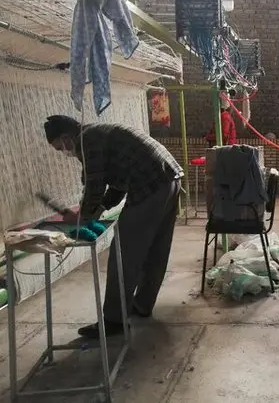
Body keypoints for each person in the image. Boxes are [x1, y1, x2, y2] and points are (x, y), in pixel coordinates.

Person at [43, 115, 183, 339]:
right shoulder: (100, 133)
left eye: (61, 148)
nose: (64, 153)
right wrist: (100, 208)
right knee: (156, 249)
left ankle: (113, 321)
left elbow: (94, 184)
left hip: (149, 185)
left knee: (123, 254)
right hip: (169, 180)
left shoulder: (87, 140)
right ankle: (142, 304)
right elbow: (118, 181)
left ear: (67, 137)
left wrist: (83, 216)